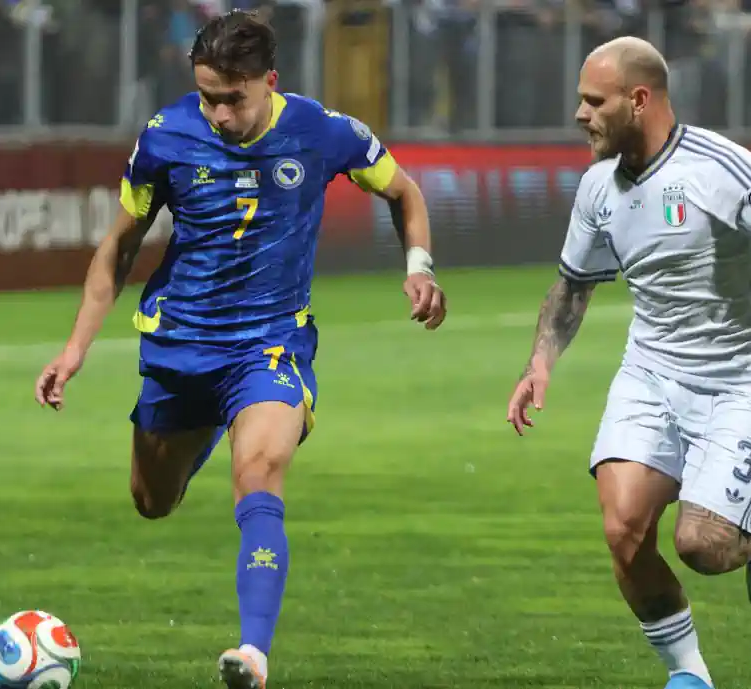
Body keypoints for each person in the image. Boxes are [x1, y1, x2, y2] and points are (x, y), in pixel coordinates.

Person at [35, 11, 447, 689]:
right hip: (180, 348)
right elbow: (120, 244)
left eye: (234, 98)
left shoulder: (319, 130)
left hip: (269, 345)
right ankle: (203, 427)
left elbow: (403, 191)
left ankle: (252, 654)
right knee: (150, 499)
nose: (221, 113)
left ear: (269, 82)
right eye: (208, 97)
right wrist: (76, 346)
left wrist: (420, 265)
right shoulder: (167, 138)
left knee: (258, 473)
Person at [506, 37, 751, 689]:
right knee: (623, 528)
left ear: (640, 99)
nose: (580, 114)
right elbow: (573, 284)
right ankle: (691, 676)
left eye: (593, 101)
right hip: (650, 373)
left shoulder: (722, 170)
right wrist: (540, 361)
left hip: (738, 380)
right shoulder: (599, 186)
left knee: (703, 545)